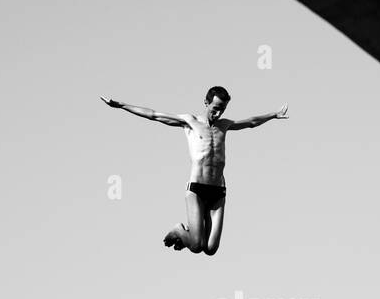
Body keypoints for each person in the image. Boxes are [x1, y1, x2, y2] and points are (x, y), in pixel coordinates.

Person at [100, 86, 289, 255]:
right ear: (206, 103)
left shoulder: (225, 125)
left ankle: (188, 237)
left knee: (211, 249)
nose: (218, 113)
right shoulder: (189, 121)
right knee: (197, 246)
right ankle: (179, 230)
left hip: (218, 191)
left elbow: (252, 122)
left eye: (222, 109)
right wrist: (122, 105)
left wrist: (273, 115)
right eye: (215, 108)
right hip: (197, 189)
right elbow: (154, 114)